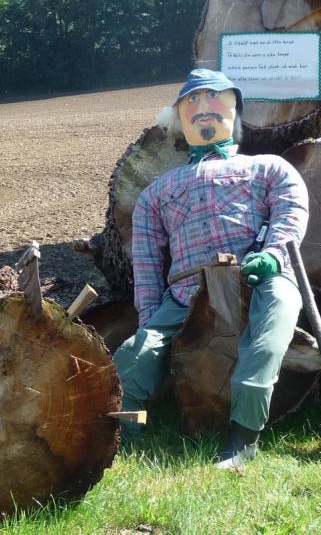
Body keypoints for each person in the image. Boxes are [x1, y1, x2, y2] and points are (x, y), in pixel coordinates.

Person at [113, 69, 309, 470]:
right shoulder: (157, 192)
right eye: (191, 102)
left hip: (264, 278)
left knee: (266, 344)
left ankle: (243, 441)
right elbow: (148, 263)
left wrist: (272, 255)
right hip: (187, 289)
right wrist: (151, 322)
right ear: (178, 120)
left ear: (235, 110)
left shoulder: (269, 169)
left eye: (215, 98)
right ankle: (121, 438)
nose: (203, 108)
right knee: (134, 355)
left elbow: (291, 211)